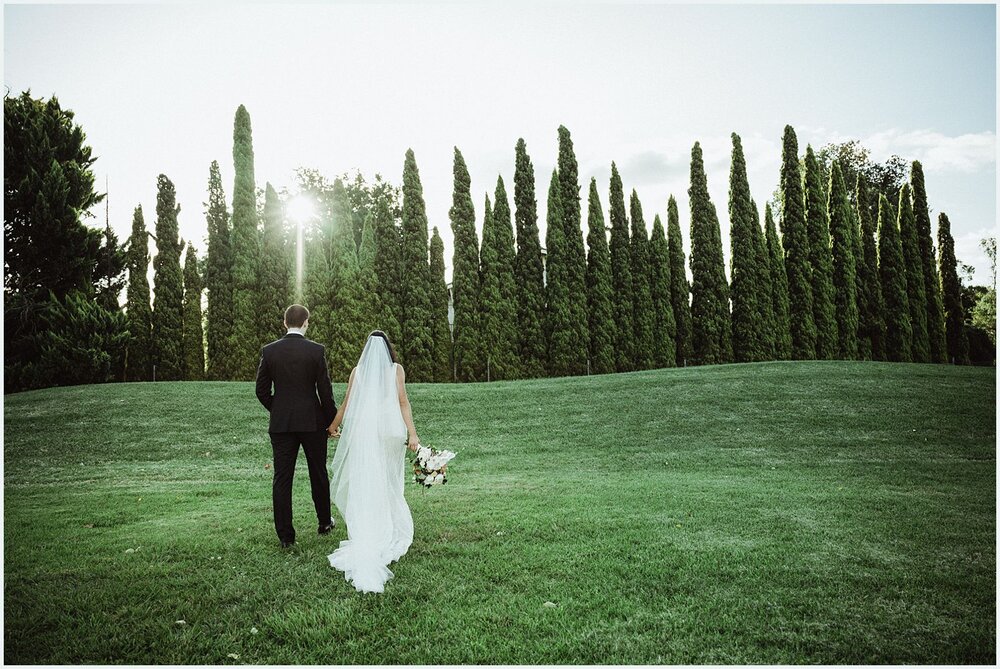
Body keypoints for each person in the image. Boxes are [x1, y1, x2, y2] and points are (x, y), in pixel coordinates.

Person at [326, 330, 420, 593]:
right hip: (391, 431)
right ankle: (389, 526)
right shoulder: (396, 369)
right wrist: (412, 433)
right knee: (389, 480)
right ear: (388, 348)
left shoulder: (358, 371)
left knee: (371, 481)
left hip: (367, 433)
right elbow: (403, 402)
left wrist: (332, 427)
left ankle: (373, 527)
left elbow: (346, 404)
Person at [254, 304, 338, 548]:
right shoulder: (316, 351)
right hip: (313, 422)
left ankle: (286, 537)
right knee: (318, 473)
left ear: (284, 323)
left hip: (282, 425)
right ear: (306, 323)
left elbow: (261, 391)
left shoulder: (269, 351)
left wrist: (278, 409)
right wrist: (331, 422)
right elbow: (325, 392)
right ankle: (324, 522)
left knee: (282, 478)